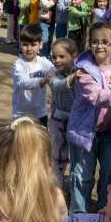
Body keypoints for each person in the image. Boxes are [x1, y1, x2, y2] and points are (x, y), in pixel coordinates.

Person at [67, 21, 111, 214]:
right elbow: (94, 95)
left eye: (105, 42)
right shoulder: (84, 70)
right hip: (85, 132)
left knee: (109, 173)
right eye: (95, 41)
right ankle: (78, 214)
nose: (100, 46)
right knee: (82, 175)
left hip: (108, 133)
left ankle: (103, 211)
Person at [47, 37, 79, 185]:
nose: (57, 60)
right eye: (54, 57)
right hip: (57, 120)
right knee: (57, 154)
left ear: (73, 56)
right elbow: (58, 86)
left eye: (61, 56)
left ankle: (75, 187)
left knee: (75, 156)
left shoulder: (80, 73)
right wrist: (72, 78)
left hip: (75, 121)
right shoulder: (52, 73)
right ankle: (55, 187)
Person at [12, 24, 53, 124]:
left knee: (42, 139)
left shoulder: (44, 63)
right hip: (21, 113)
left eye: (33, 44)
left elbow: (57, 72)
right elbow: (23, 82)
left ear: (41, 45)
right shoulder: (18, 64)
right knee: (21, 140)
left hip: (40, 113)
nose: (29, 48)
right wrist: (43, 80)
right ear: (20, 44)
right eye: (25, 44)